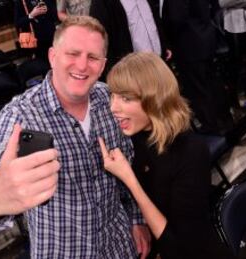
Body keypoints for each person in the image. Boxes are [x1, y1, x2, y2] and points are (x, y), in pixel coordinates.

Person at [0, 16, 151, 258]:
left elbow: (127, 164)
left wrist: (136, 219)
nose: (82, 66)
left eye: (92, 57)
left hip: (119, 246)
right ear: (52, 56)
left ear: (103, 65)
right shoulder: (20, 116)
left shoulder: (109, 101)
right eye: (73, 53)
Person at [99, 52, 233, 258]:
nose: (113, 108)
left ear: (154, 98)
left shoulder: (191, 151)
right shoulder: (133, 137)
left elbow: (180, 248)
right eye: (112, 96)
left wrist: (129, 179)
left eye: (125, 98)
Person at [162, 0, 233, 135]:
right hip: (206, 37)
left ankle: (212, 127)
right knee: (213, 83)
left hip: (189, 44)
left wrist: (165, 37)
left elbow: (176, 18)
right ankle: (225, 121)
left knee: (198, 89)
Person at [90, 0, 171, 80]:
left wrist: (164, 44)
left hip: (159, 63)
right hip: (133, 72)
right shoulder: (102, 2)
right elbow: (99, 37)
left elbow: (154, 20)